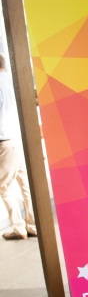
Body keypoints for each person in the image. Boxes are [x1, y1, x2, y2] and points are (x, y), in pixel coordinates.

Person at [0, 55, 37, 240]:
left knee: (4, 186)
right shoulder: (10, 80)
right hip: (19, 138)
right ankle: (33, 224)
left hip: (5, 142)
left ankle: (18, 227)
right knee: (25, 183)